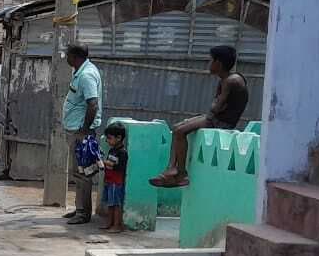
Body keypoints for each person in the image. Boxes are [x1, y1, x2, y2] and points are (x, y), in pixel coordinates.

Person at [150, 46, 249, 188]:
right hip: (215, 118)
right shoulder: (226, 79)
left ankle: (180, 172)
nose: (209, 64)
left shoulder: (231, 81)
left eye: (211, 61)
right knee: (178, 127)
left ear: (218, 63)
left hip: (221, 122)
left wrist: (214, 107)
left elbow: (216, 107)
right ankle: (171, 168)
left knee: (180, 131)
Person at [62, 43, 103, 225]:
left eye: (68, 55)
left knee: (83, 173)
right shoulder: (82, 71)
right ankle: (79, 208)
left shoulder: (86, 75)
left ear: (76, 56)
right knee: (78, 172)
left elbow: (93, 104)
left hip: (81, 132)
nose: (66, 58)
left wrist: (84, 131)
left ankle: (83, 213)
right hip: (76, 129)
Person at [100, 122, 129, 234]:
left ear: (119, 138)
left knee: (116, 204)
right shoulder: (112, 150)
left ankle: (117, 225)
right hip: (109, 180)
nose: (107, 141)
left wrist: (107, 163)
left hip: (116, 182)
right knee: (110, 203)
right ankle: (109, 223)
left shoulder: (122, 153)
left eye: (109, 138)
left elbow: (120, 167)